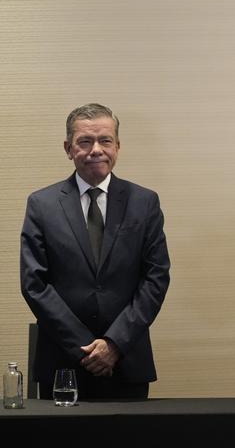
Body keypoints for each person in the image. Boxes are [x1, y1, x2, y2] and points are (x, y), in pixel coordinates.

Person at [20, 103, 171, 400]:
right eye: (85, 142)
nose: (96, 150)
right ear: (68, 148)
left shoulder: (144, 202)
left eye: (105, 140)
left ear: (117, 146)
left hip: (126, 360)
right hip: (62, 362)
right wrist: (84, 347)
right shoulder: (42, 204)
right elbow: (34, 284)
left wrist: (114, 344)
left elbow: (156, 278)